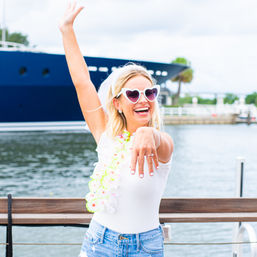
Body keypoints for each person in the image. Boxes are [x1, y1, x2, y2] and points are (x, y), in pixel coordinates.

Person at [59, 2, 174, 256]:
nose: (143, 99)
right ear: (117, 103)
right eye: (133, 94)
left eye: (150, 92)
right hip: (100, 243)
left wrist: (148, 133)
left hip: (146, 246)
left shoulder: (161, 144)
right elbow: (82, 82)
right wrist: (67, 30)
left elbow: (163, 144)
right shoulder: (106, 136)